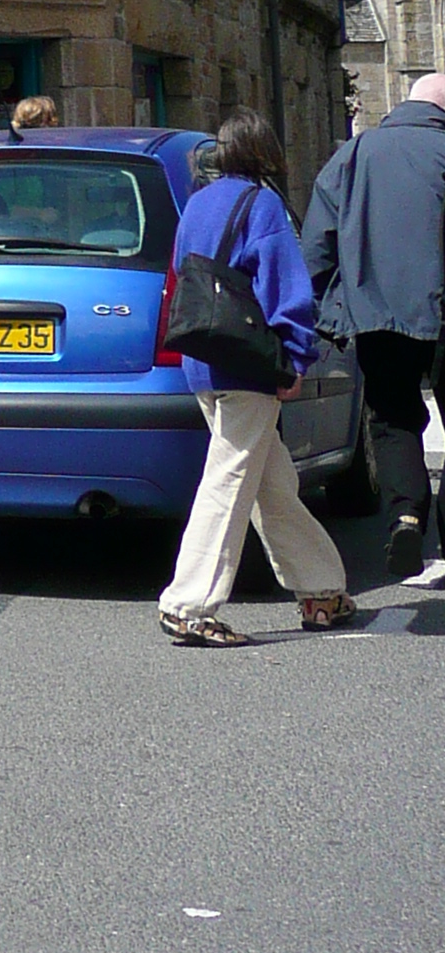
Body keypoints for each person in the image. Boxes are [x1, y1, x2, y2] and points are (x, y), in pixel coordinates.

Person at [157, 110, 355, 645]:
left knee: (273, 483)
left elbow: (183, 271)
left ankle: (321, 590)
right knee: (229, 480)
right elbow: (285, 291)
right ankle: (190, 603)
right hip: (249, 364)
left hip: (203, 362)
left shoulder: (198, 203)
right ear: (264, 151)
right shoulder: (263, 204)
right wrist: (293, 359)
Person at [301, 71, 445, 579]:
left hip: (377, 312)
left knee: (393, 419)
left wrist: (316, 312)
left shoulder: (355, 154)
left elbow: (319, 239)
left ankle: (406, 516)